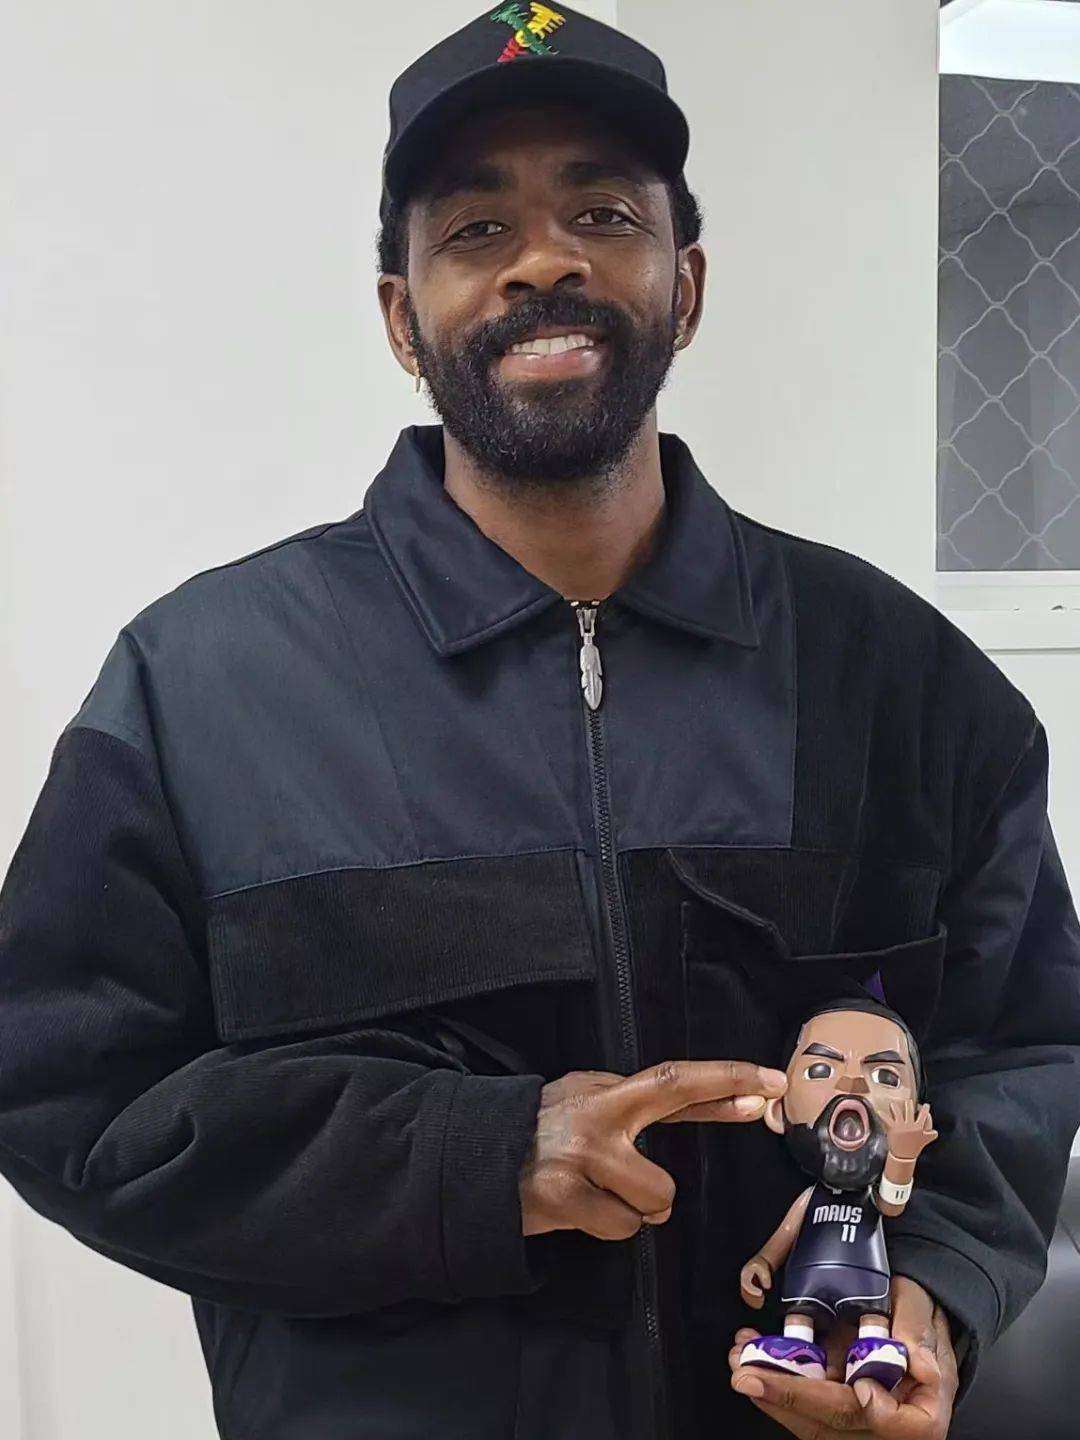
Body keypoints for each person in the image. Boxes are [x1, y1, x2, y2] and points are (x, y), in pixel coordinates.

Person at [0, 7, 1078, 1439]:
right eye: (475, 230)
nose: (545, 260)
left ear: (686, 287)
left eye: (604, 214)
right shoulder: (200, 683)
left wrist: (929, 1286)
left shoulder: (904, 682)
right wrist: (480, 1158)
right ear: (402, 317)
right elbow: (61, 1087)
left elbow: (1021, 1047)